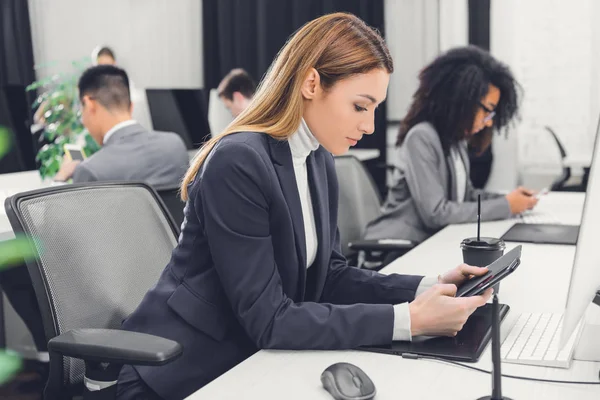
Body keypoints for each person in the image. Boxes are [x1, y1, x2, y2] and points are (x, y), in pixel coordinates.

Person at [116, 14, 493, 400]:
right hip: (180, 371)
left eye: (375, 108)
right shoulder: (240, 161)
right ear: (312, 83)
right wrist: (407, 321)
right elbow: (270, 319)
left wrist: (430, 286)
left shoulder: (316, 157)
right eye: (361, 107)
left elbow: (329, 277)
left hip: (251, 361)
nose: (370, 126)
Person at [364, 46, 538, 245]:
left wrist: (510, 199)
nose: (488, 122)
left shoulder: (455, 142)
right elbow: (436, 213)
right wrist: (506, 206)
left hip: (430, 242)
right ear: (462, 100)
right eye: (487, 111)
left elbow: (467, 195)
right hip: (398, 245)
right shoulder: (421, 137)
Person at [53, 65, 188, 187]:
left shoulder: (90, 171)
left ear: (89, 105)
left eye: (81, 111)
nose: (82, 120)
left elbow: (57, 215)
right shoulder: (175, 146)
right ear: (131, 106)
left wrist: (59, 179)